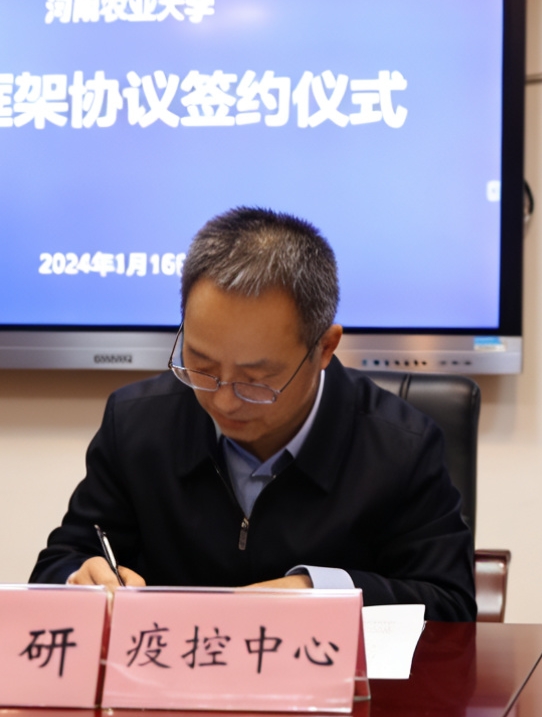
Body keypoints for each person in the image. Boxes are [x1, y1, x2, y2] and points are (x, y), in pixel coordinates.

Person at [30, 207, 474, 620]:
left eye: (256, 379)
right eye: (202, 365)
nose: (223, 401)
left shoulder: (400, 447)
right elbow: (60, 564)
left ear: (325, 347)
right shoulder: (136, 425)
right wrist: (79, 579)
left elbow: (451, 605)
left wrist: (321, 592)